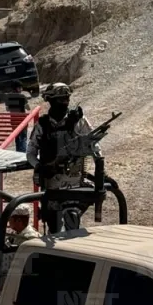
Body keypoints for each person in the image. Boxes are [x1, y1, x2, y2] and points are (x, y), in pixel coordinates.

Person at [26, 82, 96, 233]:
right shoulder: (43, 125)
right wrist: (39, 167)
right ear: (50, 101)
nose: (64, 103)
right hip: (52, 183)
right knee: (53, 228)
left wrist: (101, 169)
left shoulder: (78, 120)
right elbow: (31, 152)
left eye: (66, 99)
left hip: (75, 182)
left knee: (72, 222)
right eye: (60, 99)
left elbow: (94, 145)